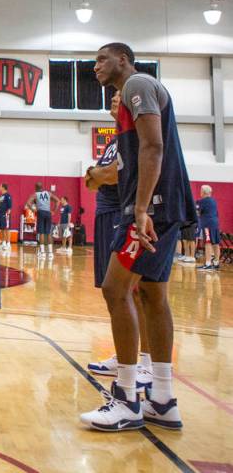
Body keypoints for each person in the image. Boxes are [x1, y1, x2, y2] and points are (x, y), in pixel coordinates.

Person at [80, 43, 195, 432]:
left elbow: (153, 145)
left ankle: (127, 398)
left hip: (153, 206)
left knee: (116, 290)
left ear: (123, 60)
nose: (95, 66)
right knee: (152, 294)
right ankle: (162, 400)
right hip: (165, 203)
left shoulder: (137, 84)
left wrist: (142, 208)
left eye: (101, 59)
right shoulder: (130, 98)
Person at [85, 93, 153, 392]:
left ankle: (146, 364)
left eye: (119, 97)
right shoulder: (115, 138)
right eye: (112, 98)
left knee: (134, 292)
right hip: (106, 213)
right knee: (115, 294)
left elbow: (110, 175)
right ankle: (126, 356)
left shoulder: (137, 133)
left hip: (122, 213)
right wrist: (96, 176)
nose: (114, 100)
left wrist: (95, 174)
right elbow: (95, 179)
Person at [25, 182, 59, 258]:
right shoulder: (48, 193)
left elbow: (28, 203)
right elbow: (58, 201)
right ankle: (50, 253)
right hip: (48, 213)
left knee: (41, 232)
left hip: (40, 212)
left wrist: (33, 210)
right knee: (48, 232)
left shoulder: (35, 194)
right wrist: (54, 211)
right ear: (42, 187)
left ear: (36, 188)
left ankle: (42, 252)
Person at [196, 185, 220, 271]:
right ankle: (216, 263)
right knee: (216, 243)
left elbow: (197, 213)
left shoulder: (201, 201)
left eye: (201, 190)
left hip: (207, 224)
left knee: (208, 242)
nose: (200, 192)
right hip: (215, 223)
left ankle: (208, 263)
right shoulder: (214, 201)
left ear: (203, 192)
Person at [0, 184, 12, 253]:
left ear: (3, 188)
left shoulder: (7, 196)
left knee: (7, 229)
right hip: (0, 214)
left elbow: (10, 206)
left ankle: (8, 244)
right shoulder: (1, 196)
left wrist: (7, 213)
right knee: (2, 228)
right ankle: (3, 243)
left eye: (0, 186)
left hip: (5, 215)